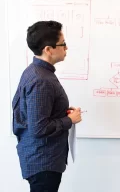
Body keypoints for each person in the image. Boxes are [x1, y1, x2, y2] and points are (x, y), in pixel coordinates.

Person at [12, 20, 82, 192]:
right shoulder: (41, 80)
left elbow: (36, 115)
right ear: (48, 50)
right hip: (43, 161)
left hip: (41, 159)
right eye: (63, 44)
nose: (66, 48)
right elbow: (38, 128)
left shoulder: (38, 72)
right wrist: (68, 120)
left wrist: (61, 113)